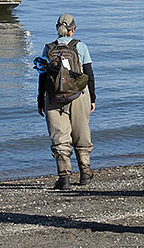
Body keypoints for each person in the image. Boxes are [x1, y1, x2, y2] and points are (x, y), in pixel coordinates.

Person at [37, 14, 96, 191]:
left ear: (57, 29)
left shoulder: (47, 48)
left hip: (54, 97)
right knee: (81, 133)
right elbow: (89, 75)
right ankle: (85, 173)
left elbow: (42, 77)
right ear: (72, 30)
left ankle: (64, 178)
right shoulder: (81, 46)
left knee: (59, 136)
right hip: (79, 95)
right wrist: (92, 98)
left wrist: (40, 100)